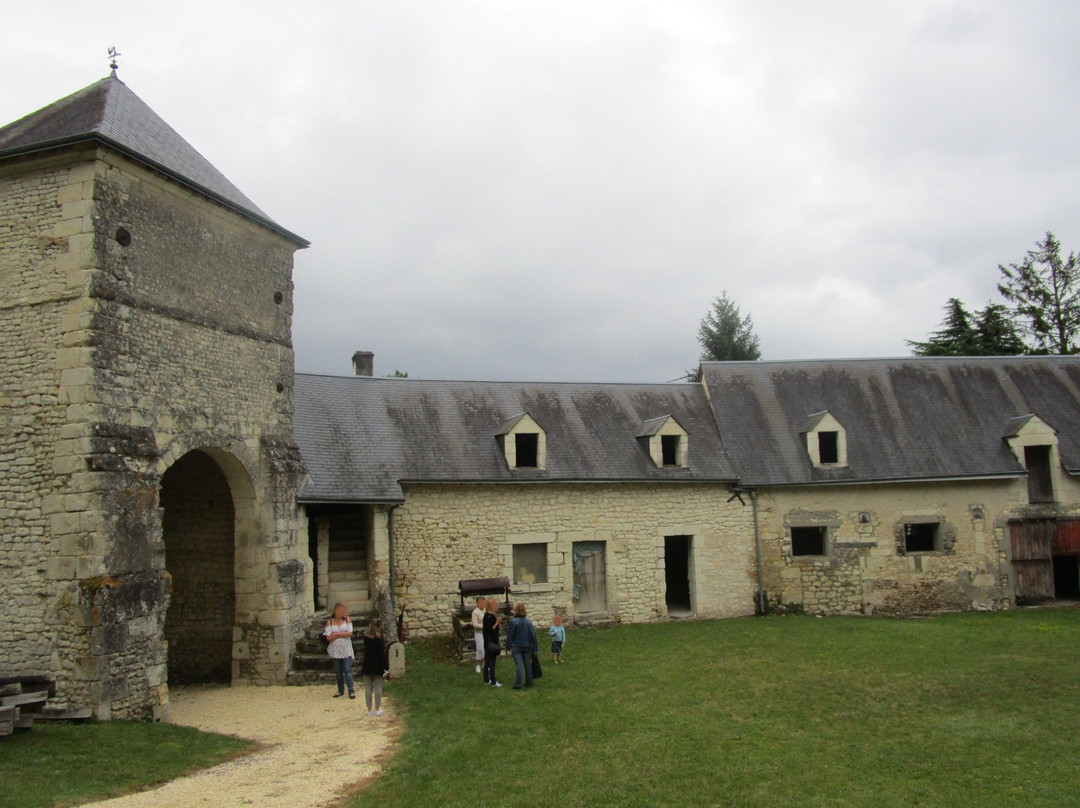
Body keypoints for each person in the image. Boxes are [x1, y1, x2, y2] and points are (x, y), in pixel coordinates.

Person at [324, 603, 355, 699]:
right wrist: (342, 634)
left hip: (346, 649)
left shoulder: (347, 619)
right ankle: (340, 690)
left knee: (347, 669)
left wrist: (336, 634)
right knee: (338, 671)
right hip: (335, 650)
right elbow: (328, 637)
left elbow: (349, 633)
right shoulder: (330, 621)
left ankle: (351, 690)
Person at [506, 602, 539, 690]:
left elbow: (510, 635)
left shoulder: (513, 621)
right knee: (527, 664)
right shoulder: (528, 622)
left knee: (519, 665)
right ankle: (529, 682)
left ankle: (519, 684)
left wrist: (508, 646)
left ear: (515, 611)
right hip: (527, 646)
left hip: (516, 645)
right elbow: (533, 634)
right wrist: (535, 647)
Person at [360, 619, 388, 715]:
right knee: (378, 688)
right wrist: (386, 667)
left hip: (367, 664)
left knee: (368, 688)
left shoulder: (366, 638)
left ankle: (369, 710)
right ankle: (377, 709)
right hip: (377, 666)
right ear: (379, 627)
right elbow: (381, 655)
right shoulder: (379, 639)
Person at [482, 597, 502, 688]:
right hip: (491, 643)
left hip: (486, 642)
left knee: (487, 661)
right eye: (496, 604)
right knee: (492, 662)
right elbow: (491, 630)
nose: (497, 606)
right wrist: (497, 623)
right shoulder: (491, 617)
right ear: (491, 606)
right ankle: (493, 681)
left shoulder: (486, 616)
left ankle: (486, 680)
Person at [471, 595, 487, 673]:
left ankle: (484, 664)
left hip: (486, 633)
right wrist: (484, 626)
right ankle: (477, 664)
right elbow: (474, 624)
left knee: (486, 649)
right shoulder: (475, 612)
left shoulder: (486, 610)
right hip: (479, 633)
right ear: (477, 603)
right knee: (480, 649)